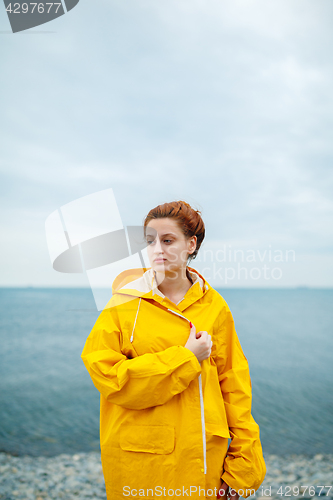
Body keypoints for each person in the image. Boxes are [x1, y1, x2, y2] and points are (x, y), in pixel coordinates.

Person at [81, 200, 266, 500]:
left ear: (191, 244)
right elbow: (107, 376)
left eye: (168, 240)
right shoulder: (125, 304)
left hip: (205, 459)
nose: (157, 250)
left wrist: (243, 467)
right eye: (151, 241)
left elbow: (235, 386)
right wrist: (185, 358)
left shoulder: (214, 306)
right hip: (141, 462)